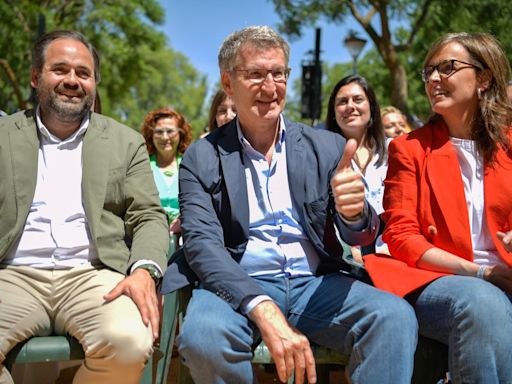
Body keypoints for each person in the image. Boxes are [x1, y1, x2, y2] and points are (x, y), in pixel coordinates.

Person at [162, 25, 417, 384]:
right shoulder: (202, 157)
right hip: (236, 282)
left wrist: (355, 214)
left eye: (278, 73)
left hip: (316, 283)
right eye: (255, 74)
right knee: (203, 338)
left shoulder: (325, 146)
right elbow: (203, 248)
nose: (270, 87)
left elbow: (364, 237)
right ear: (228, 82)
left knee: (394, 317)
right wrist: (262, 308)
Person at [0, 30, 169, 384]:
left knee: (130, 340)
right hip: (11, 275)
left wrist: (143, 271)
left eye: (83, 73)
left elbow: (148, 216)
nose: (72, 81)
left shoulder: (125, 142)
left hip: (93, 275)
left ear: (94, 82)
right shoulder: (5, 135)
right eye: (59, 70)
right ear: (35, 77)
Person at [364, 32, 512, 383]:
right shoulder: (409, 149)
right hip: (438, 281)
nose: (433, 79)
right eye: (428, 71)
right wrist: (478, 273)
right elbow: (401, 237)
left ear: (484, 77)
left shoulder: (509, 143)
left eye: (447, 68)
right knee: (484, 303)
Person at [326, 75, 389, 255]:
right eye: (342, 102)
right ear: (333, 112)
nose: (350, 106)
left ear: (372, 107)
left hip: (394, 252)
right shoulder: (322, 158)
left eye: (358, 99)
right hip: (349, 257)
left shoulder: (395, 150)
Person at [141, 107, 192, 234]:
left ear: (181, 133)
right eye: (159, 132)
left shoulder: (191, 165)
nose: (165, 137)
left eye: (170, 131)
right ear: (151, 135)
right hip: (149, 233)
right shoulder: (142, 166)